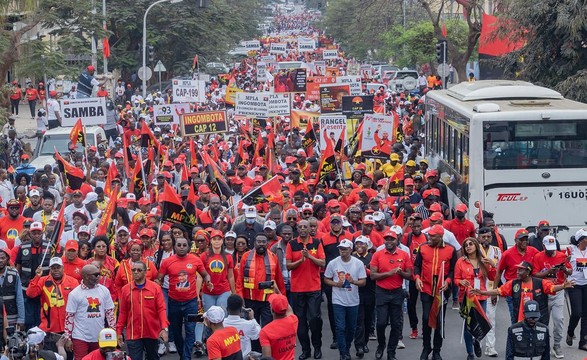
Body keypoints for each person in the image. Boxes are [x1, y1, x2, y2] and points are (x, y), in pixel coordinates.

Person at [156, 237, 212, 360]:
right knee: (176, 333)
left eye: (184, 245)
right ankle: (183, 355)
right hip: (173, 303)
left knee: (190, 331)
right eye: (179, 245)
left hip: (191, 303)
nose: (181, 247)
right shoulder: (167, 262)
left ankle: (186, 357)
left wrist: (208, 281)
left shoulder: (195, 260)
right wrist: (156, 285)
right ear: (175, 247)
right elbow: (159, 278)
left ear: (188, 247)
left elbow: (205, 274)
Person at [472, 261, 573, 326]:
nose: (517, 272)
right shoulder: (513, 283)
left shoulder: (540, 282)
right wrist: (482, 292)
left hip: (538, 321)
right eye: (517, 269)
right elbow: (498, 291)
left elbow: (552, 288)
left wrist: (563, 286)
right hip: (520, 321)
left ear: (528, 272)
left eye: (520, 270)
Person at [413, 224, 458, 360]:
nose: (429, 238)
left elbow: (453, 270)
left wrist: (448, 281)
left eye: (433, 236)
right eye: (429, 235)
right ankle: (426, 347)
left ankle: (437, 350)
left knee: (439, 321)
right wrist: (417, 278)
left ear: (440, 237)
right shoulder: (423, 247)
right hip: (426, 288)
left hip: (441, 290)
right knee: (426, 318)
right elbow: (416, 266)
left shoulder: (451, 249)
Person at [286, 219, 325, 360]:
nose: (302, 229)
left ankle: (318, 347)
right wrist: (300, 261)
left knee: (314, 319)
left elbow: (322, 262)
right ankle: (306, 350)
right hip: (297, 289)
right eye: (300, 227)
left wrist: (309, 256)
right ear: (297, 229)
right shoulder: (292, 244)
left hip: (314, 288)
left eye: (305, 227)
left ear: (310, 229)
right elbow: (288, 266)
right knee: (300, 322)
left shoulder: (316, 243)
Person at [370, 231, 412, 360]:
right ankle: (381, 344)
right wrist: (389, 273)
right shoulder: (377, 255)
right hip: (382, 292)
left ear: (397, 240)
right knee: (381, 323)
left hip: (397, 293)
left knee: (396, 324)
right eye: (387, 239)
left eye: (392, 239)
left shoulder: (404, 255)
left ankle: (391, 352)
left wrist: (400, 273)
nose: (389, 241)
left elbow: (409, 275)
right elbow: (372, 275)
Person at [323, 239, 366, 360]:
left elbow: (363, 282)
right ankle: (343, 352)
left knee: (351, 328)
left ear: (350, 250)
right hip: (338, 300)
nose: (342, 251)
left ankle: (346, 348)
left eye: (345, 249)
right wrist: (336, 284)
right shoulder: (333, 263)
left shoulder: (358, 263)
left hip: (353, 301)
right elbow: (326, 279)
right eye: (340, 249)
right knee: (340, 327)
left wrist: (354, 281)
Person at [116, 260, 169, 360]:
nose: (136, 272)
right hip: (133, 333)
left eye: (139, 270)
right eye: (133, 270)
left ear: (145, 272)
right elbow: (123, 312)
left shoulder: (155, 288)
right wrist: (119, 331)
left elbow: (161, 309)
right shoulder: (126, 289)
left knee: (153, 357)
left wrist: (164, 328)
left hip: (152, 332)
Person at [454, 238, 496, 360]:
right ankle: (470, 353)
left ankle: (477, 341)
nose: (468, 246)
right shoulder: (461, 261)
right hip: (467, 298)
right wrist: (460, 281)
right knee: (469, 326)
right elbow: (455, 279)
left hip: (481, 296)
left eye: (471, 244)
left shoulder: (484, 260)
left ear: (476, 246)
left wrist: (492, 265)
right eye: (465, 245)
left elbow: (492, 277)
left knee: (482, 323)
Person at [64, 264, 116, 360]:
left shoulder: (104, 291)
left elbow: (110, 313)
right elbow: (69, 317)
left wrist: (113, 333)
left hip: (99, 336)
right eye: (95, 275)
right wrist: (68, 338)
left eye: (99, 274)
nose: (98, 277)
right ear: (86, 276)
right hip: (80, 337)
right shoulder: (74, 294)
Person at [236, 233, 285, 331]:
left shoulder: (273, 257)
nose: (261, 244)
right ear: (254, 243)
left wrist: (282, 297)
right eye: (259, 242)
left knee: (267, 328)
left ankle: (265, 346)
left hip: (268, 300)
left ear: (267, 244)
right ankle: (255, 347)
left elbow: (279, 280)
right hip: (249, 299)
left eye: (264, 242)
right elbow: (239, 280)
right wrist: (240, 299)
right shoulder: (246, 256)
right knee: (252, 328)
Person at [532, 235, 571, 358]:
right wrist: (548, 272)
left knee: (559, 319)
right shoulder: (538, 257)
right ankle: (544, 344)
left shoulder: (561, 255)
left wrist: (564, 269)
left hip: (558, 290)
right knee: (543, 321)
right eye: (548, 248)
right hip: (543, 291)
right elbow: (534, 275)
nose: (551, 251)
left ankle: (557, 344)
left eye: (553, 248)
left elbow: (570, 271)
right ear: (543, 246)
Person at [26, 257, 79, 341]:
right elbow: (30, 294)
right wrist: (37, 277)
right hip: (48, 329)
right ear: (50, 269)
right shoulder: (43, 280)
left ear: (63, 268)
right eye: (53, 268)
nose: (56, 270)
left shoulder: (73, 282)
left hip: (68, 329)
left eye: (58, 267)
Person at [495, 229, 539, 323]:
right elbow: (499, 272)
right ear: (515, 240)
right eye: (521, 239)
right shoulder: (507, 254)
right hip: (513, 289)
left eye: (526, 239)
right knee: (515, 318)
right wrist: (495, 292)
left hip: (529, 288)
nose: (524, 242)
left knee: (531, 317)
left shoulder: (534, 251)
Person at [477, 227, 502, 357]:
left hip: (491, 288)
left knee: (491, 319)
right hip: (478, 289)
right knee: (478, 318)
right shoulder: (473, 249)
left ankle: (490, 347)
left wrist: (495, 292)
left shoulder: (497, 251)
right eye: (483, 237)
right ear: (479, 237)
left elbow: (500, 272)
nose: (486, 239)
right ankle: (478, 343)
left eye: (488, 237)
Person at [563, 228, 587, 351]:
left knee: (586, 314)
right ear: (581, 240)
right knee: (577, 313)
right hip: (574, 284)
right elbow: (564, 265)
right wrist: (564, 277)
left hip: (586, 284)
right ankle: (570, 332)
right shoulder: (571, 251)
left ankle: (583, 341)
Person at [352, 236, 375, 358]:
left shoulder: (372, 257)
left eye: (362, 244)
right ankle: (359, 345)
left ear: (367, 245)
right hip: (356, 292)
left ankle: (365, 342)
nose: (359, 246)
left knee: (368, 319)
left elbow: (375, 275)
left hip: (370, 292)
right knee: (359, 320)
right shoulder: (352, 257)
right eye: (357, 244)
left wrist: (366, 271)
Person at [259, 294, 298, 360]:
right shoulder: (294, 320)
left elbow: (267, 358)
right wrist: (281, 297)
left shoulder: (265, 331)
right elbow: (289, 309)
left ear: (272, 309)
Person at [223, 294, 261, 359]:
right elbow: (257, 334)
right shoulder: (249, 324)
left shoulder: (222, 324)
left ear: (227, 309)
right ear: (241, 310)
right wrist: (252, 318)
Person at [0, 244, 25, 328]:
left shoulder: (14, 274)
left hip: (12, 318)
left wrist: (21, 319)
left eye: (2, 258)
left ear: (7, 259)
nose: (0, 260)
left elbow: (19, 297)